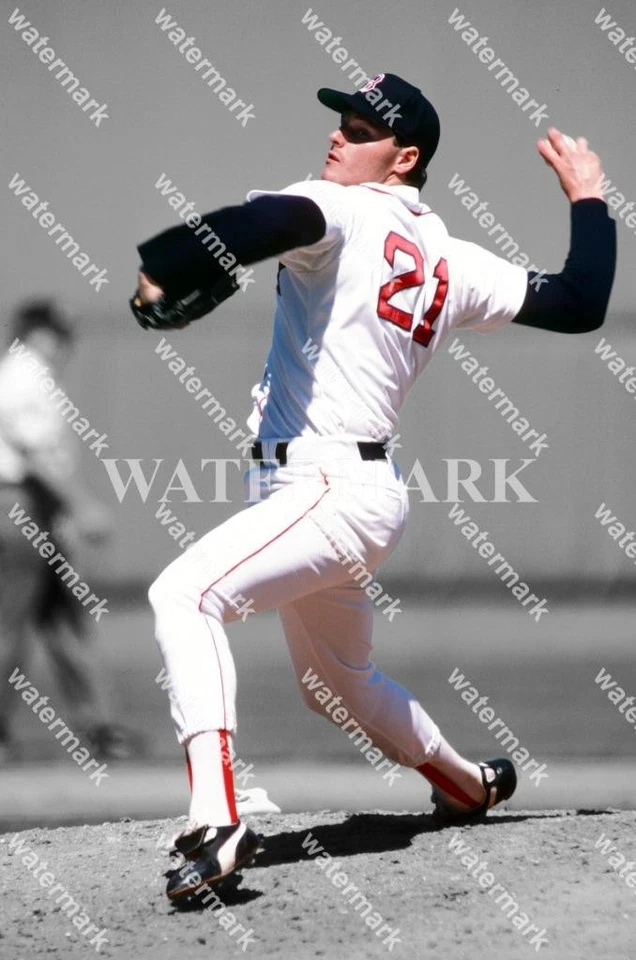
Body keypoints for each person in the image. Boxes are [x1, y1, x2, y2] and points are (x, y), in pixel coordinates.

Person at [132, 73, 616, 901]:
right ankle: (466, 782)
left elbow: (264, 223)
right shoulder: (450, 256)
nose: (338, 137)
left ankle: (215, 823)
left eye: (362, 130)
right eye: (341, 121)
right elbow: (579, 301)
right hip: (345, 492)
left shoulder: (340, 208)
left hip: (324, 487)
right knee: (336, 685)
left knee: (183, 596)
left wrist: (159, 268)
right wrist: (589, 200)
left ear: (405, 158)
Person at [0, 301, 138, 762]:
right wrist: (81, 506)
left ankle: (102, 728)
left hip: (33, 506)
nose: (66, 345)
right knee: (8, 627)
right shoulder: (24, 375)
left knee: (62, 623)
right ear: (38, 334)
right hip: (18, 503)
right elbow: (32, 453)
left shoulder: (26, 373)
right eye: (59, 335)